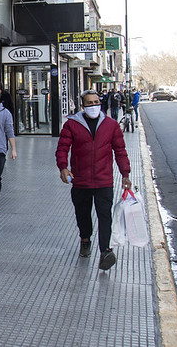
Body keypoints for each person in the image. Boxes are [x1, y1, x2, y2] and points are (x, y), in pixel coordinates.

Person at [55, 89, 132, 271]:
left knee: (105, 216)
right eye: (89, 103)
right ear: (83, 106)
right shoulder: (72, 125)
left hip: (104, 181)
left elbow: (120, 150)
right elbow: (62, 148)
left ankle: (105, 251)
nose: (93, 105)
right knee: (83, 215)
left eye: (96, 102)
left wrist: (125, 173)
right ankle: (85, 239)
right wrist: (63, 167)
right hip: (80, 180)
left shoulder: (111, 125)